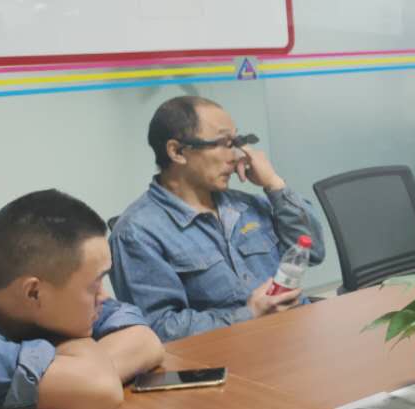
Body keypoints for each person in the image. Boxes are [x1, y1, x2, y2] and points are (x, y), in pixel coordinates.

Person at [110, 97, 325, 343]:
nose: (236, 156)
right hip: (232, 353)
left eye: (236, 142)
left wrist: (274, 184)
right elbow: (160, 329)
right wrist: (250, 314)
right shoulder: (137, 233)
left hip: (295, 334)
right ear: (177, 151)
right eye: (224, 144)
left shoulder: (246, 205)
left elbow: (313, 253)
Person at [0, 190, 163, 409]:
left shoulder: (46, 305)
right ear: (34, 292)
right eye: (95, 284)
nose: (104, 296)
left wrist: (58, 400)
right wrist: (76, 386)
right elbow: (101, 388)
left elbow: (145, 341)